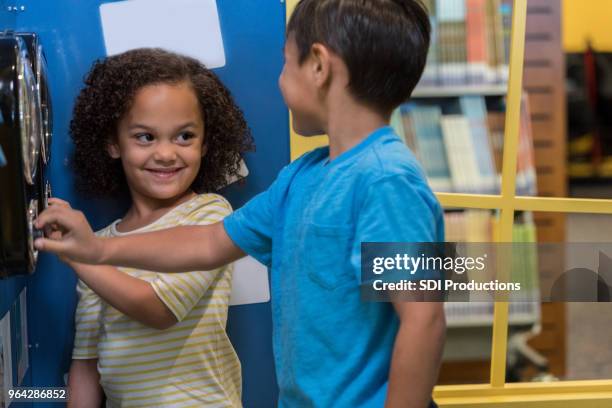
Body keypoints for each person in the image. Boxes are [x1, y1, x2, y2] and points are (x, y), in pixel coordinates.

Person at [37, 1, 446, 407]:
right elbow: (208, 243)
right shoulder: (301, 177)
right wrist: (98, 249)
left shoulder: (391, 180)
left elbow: (424, 317)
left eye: (285, 64)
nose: (280, 80)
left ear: (318, 66)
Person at [60, 48, 253, 407]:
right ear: (113, 144)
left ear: (206, 143)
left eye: (184, 137)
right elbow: (86, 366)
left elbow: (159, 310)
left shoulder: (209, 216)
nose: (166, 154)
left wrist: (80, 257)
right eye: (146, 137)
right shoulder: (98, 242)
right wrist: (86, 254)